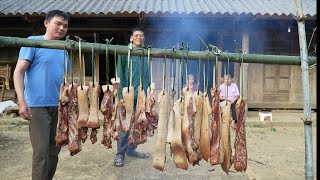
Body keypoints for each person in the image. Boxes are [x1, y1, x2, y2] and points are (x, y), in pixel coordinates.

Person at [13, 10, 69, 179]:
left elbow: (64, 79)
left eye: (65, 26)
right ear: (46, 23)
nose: (61, 28)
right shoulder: (33, 42)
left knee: (54, 151)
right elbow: (18, 72)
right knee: (41, 152)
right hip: (37, 106)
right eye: (57, 23)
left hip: (59, 106)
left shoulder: (64, 49)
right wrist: (22, 102)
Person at [114, 27, 150, 167]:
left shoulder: (146, 53)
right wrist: (121, 95)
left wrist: (148, 94)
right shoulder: (125, 52)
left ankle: (131, 149)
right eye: (136, 35)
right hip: (128, 95)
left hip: (141, 95)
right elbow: (120, 73)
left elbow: (148, 75)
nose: (139, 38)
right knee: (125, 125)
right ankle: (120, 154)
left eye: (141, 35)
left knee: (138, 125)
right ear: (131, 37)